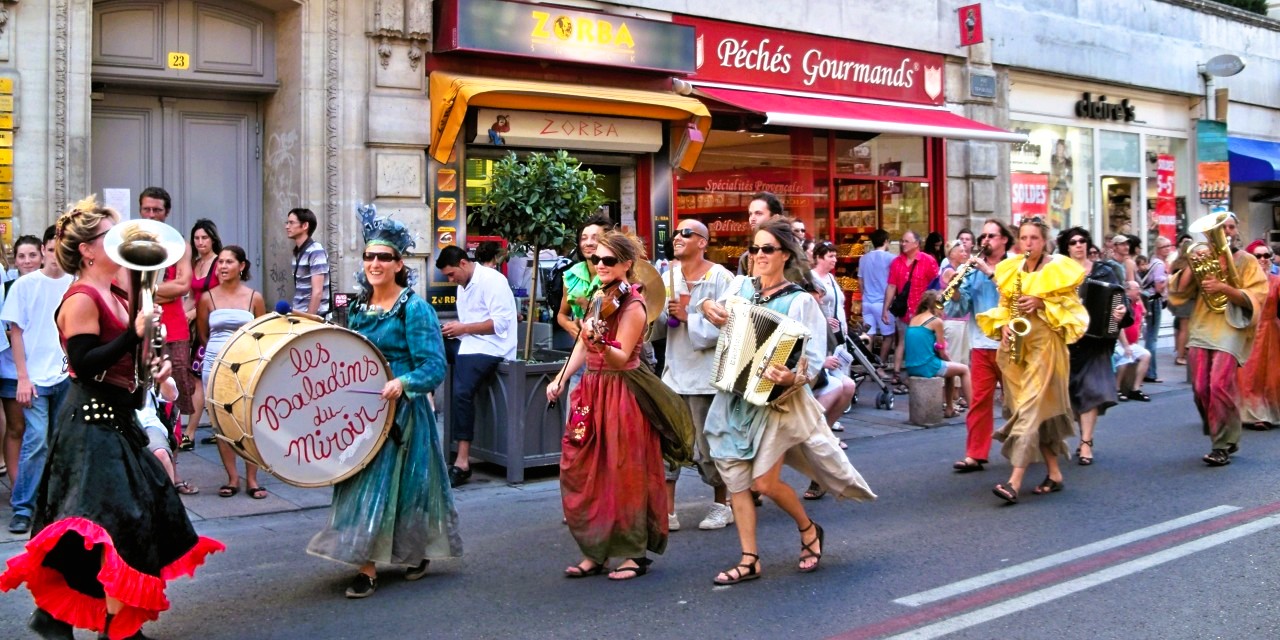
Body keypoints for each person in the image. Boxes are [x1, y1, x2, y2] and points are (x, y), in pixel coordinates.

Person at [0, 197, 222, 640]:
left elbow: (127, 366)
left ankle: (65, 617)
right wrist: (131, 334)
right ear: (87, 249)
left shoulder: (120, 292)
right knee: (113, 524)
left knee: (128, 520)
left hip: (118, 418)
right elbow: (84, 362)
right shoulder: (80, 297)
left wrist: (152, 367)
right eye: (110, 236)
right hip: (88, 423)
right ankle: (111, 627)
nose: (122, 242)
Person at [700, 217, 875, 585]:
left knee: (763, 483)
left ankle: (808, 528)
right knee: (737, 483)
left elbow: (813, 361)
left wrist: (792, 376)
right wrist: (706, 309)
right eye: (754, 249)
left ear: (785, 255)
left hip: (778, 404)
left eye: (767, 249)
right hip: (736, 396)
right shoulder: (741, 288)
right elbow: (715, 315)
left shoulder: (799, 301)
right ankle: (750, 560)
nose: (758, 255)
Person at [308, 210, 461, 599]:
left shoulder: (415, 308)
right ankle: (366, 566)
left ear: (399, 265)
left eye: (384, 258)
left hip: (403, 417)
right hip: (359, 416)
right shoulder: (354, 310)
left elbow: (433, 366)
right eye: (369, 257)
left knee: (407, 490)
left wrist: (403, 382)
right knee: (358, 486)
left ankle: (414, 551)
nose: (375, 264)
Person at [546, 230, 690, 581]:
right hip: (591, 391)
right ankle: (595, 549)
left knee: (622, 472)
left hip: (621, 391)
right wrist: (562, 378)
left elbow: (620, 356)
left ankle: (631, 553)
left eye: (608, 261)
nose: (599, 265)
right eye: (596, 259)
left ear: (627, 265)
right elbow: (582, 343)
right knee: (584, 467)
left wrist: (600, 339)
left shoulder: (634, 304)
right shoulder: (598, 294)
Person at [977, 217, 1087, 504]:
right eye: (1024, 238)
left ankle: (1014, 481)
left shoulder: (1058, 268)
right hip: (1017, 345)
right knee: (1029, 409)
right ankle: (1054, 473)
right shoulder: (1011, 267)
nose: (1028, 244)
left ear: (1044, 240)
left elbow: (1074, 309)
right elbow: (1004, 305)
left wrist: (1042, 302)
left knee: (1029, 409)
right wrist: (1002, 326)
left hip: (1046, 344)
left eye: (1034, 239)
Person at [1167, 212, 1268, 466]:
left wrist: (1224, 289)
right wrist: (1191, 263)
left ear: (1236, 231)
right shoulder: (1203, 257)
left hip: (1232, 326)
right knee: (1200, 387)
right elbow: (1178, 293)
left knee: (1219, 385)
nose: (1227, 232)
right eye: (1222, 228)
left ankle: (1222, 444)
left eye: (1231, 227)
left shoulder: (1246, 261)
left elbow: (1257, 296)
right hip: (1202, 326)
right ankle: (1219, 430)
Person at [658, 219, 736, 530]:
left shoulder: (722, 278)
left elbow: (730, 325)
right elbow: (657, 324)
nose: (677, 237)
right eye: (676, 232)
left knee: (708, 446)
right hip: (673, 372)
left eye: (686, 233)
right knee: (668, 443)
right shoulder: (667, 276)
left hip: (706, 377)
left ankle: (722, 504)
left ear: (703, 242)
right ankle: (667, 511)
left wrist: (689, 318)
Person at [2, 226, 73, 534]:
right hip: (35, 379)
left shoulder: (75, 283)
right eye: (51, 248)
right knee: (35, 442)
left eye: (62, 249)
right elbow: (15, 333)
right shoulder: (25, 285)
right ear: (44, 250)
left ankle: (55, 505)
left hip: (66, 377)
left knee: (60, 443)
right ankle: (23, 507)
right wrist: (22, 378)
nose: (55, 255)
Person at [437, 244, 517, 487]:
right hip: (470, 343)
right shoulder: (464, 285)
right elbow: (469, 324)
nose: (452, 280)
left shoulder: (493, 280)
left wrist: (462, 328)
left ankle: (462, 461)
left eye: (452, 274)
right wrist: (453, 330)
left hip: (494, 346)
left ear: (463, 263)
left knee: (462, 391)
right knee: (428, 350)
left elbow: (501, 325)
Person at [197, 246, 268, 499]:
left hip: (247, 364)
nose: (223, 267)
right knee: (221, 422)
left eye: (228, 262)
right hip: (215, 366)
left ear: (242, 266)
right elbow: (204, 334)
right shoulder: (207, 297)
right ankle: (232, 477)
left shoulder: (254, 298)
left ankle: (252, 478)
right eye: (220, 263)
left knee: (248, 420)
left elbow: (263, 333)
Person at [944, 219, 1013, 472]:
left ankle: (1027, 446)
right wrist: (956, 289)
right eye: (983, 236)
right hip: (981, 344)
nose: (986, 241)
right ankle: (975, 454)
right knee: (980, 401)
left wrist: (988, 271)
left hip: (1010, 343)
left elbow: (1015, 296)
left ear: (1004, 239)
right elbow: (960, 308)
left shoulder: (1015, 265)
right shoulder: (972, 270)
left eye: (992, 236)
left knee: (1017, 401)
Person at [1060, 227, 1127, 466]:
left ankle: (1086, 442)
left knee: (1090, 390)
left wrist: (1120, 312)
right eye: (1073, 242)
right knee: (1073, 393)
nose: (1078, 245)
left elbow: (1120, 299)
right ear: (1067, 247)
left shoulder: (1105, 270)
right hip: (1067, 339)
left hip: (1097, 340)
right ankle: (1082, 434)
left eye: (1082, 241)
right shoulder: (1058, 272)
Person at [555, 214, 610, 397]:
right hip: (579, 354)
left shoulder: (614, 275)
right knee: (575, 415)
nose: (588, 242)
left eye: (595, 237)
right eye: (584, 238)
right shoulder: (572, 275)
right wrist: (569, 325)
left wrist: (586, 305)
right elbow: (561, 314)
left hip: (608, 358)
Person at [0, 235, 40, 481]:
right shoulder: (8, 286)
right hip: (11, 367)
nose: (27, 261)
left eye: (32, 255)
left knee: (40, 432)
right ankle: (18, 488)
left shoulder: (53, 284)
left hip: (43, 369)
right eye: (22, 256)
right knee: (17, 427)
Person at [883, 230, 939, 386]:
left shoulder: (928, 261)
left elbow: (935, 286)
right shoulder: (896, 262)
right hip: (904, 310)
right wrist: (885, 309)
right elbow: (892, 286)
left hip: (922, 311)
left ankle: (915, 373)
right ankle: (896, 372)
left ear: (916, 243)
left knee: (921, 342)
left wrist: (935, 309)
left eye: (906, 241)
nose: (903, 244)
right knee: (901, 341)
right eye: (902, 241)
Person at [903, 290, 972, 417]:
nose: (943, 309)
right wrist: (951, 361)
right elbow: (942, 352)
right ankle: (974, 409)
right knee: (964, 369)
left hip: (911, 365)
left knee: (951, 371)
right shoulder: (936, 321)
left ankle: (950, 408)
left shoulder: (914, 319)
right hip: (926, 365)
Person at [185, 219, 222, 449]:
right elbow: (190, 296)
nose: (200, 242)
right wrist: (179, 316)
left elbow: (222, 296)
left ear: (213, 239)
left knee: (207, 379)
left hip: (213, 327)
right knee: (201, 379)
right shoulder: (195, 263)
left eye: (204, 238)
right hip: (195, 326)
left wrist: (193, 312)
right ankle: (217, 430)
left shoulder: (220, 263)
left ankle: (189, 432)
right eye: (197, 238)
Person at [1238, 252, 1280, 430]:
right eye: (1258, 256)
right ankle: (1253, 414)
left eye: (1266, 255)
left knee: (1271, 376)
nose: (1263, 259)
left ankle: (1267, 412)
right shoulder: (1243, 281)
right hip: (1247, 332)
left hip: (1271, 332)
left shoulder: (1277, 282)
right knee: (1249, 375)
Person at [938, 240, 973, 407]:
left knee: (961, 360)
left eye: (966, 251)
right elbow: (955, 296)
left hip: (961, 321)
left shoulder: (957, 270)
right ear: (951, 253)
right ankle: (948, 400)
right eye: (961, 251)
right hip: (953, 321)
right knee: (954, 360)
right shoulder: (949, 271)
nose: (965, 254)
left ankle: (954, 398)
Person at [859, 229, 896, 372]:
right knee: (888, 335)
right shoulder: (891, 258)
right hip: (883, 302)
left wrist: (865, 296)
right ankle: (880, 367)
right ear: (886, 241)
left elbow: (860, 281)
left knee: (869, 335)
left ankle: (868, 367)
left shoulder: (864, 258)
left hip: (867, 301)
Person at [286, 207, 331, 317]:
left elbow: (317, 292)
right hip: (299, 314)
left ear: (305, 226)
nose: (287, 226)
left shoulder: (315, 251)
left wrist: (309, 319)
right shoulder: (298, 252)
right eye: (287, 223)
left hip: (313, 317)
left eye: (291, 223)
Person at [1114, 280, 1153, 402]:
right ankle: (1117, 389)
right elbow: (1120, 327)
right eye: (1136, 288)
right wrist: (1126, 346)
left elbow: (1140, 322)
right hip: (1120, 343)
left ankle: (1135, 389)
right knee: (1125, 357)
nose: (1139, 291)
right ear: (1127, 291)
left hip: (1132, 343)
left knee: (1146, 355)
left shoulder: (1138, 305)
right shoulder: (1123, 306)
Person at [737, 191, 785, 276]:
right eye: (750, 214)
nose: (752, 218)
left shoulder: (790, 252)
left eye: (758, 213)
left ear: (775, 217)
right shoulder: (746, 258)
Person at [1168, 233, 1194, 365]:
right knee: (1185, 328)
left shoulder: (1176, 263)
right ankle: (1181, 356)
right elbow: (1184, 285)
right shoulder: (1188, 265)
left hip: (1177, 300)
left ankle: (1181, 352)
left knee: (1179, 328)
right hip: (1187, 300)